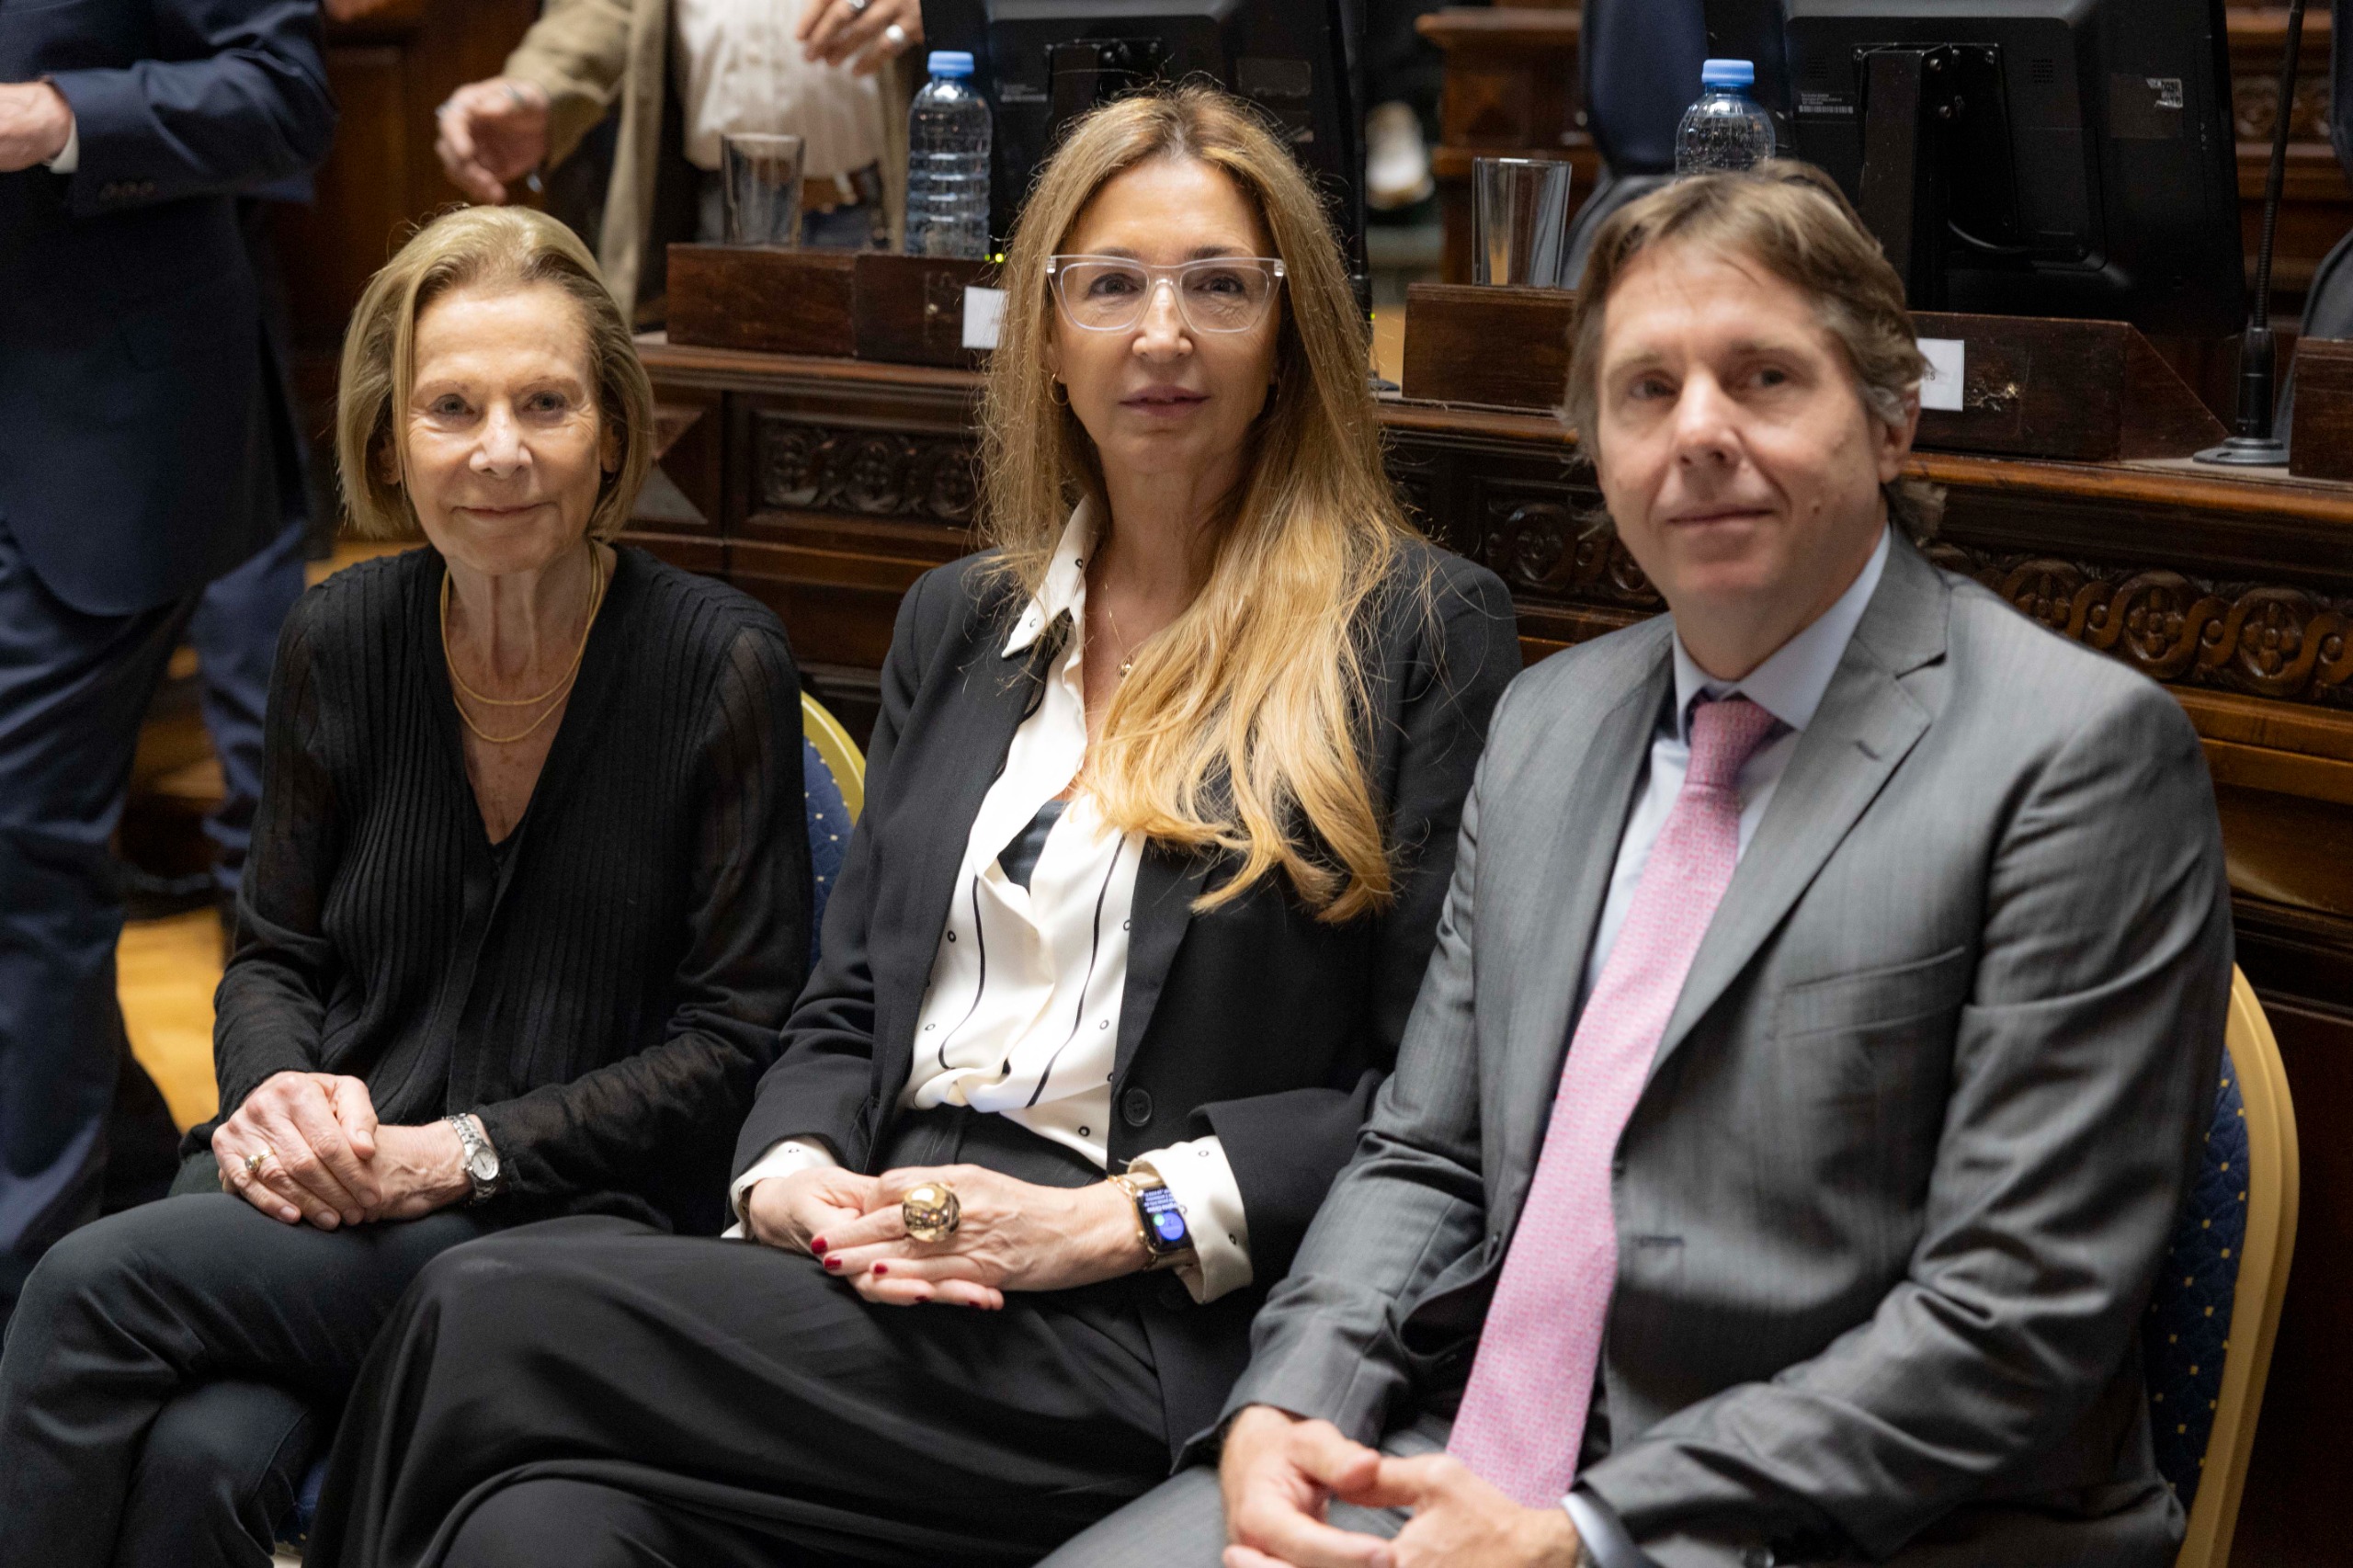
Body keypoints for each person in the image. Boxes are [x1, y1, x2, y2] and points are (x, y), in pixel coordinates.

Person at [302, 84, 1518, 1568]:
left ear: (1292, 336)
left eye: (1217, 286)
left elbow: (1430, 1102)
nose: (1160, 332)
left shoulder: (1414, 635)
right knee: (533, 1526)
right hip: (881, 1248)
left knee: (478, 1309)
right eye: (1112, 285)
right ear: (1048, 335)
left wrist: (1110, 1222)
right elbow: (848, 999)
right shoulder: (966, 620)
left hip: (1132, 1315)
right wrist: (797, 1176)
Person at [1046, 165, 2234, 1568]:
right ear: (1596, 450)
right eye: (1646, 390)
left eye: (1766, 378)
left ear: (1895, 415)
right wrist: (1290, 1401)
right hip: (1460, 1453)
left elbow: (2010, 1318)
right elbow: (1426, 1155)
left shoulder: (2076, 757)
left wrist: (1588, 1532)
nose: (1701, 434)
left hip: (1849, 1525)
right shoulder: (1552, 724)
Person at [0, 206, 813, 1568]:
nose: (500, 450)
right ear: (390, 437)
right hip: (321, 1191)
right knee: (198, 1466)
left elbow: (737, 1044)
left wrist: (465, 1148)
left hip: (556, 1222)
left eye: (545, 402)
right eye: (453, 407)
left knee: (89, 1280)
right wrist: (276, 1091)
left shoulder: (715, 663)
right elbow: (270, 953)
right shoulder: (343, 633)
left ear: (614, 427)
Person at [0, 0, 334, 1323]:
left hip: (96, 416)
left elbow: (282, 92)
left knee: (14, 838)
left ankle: (26, 1304)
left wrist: (60, 117)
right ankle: (124, 1176)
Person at [434, 0, 926, 323]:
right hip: (715, 223)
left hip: (889, 220)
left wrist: (948, 8)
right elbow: (606, 7)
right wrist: (539, 84)